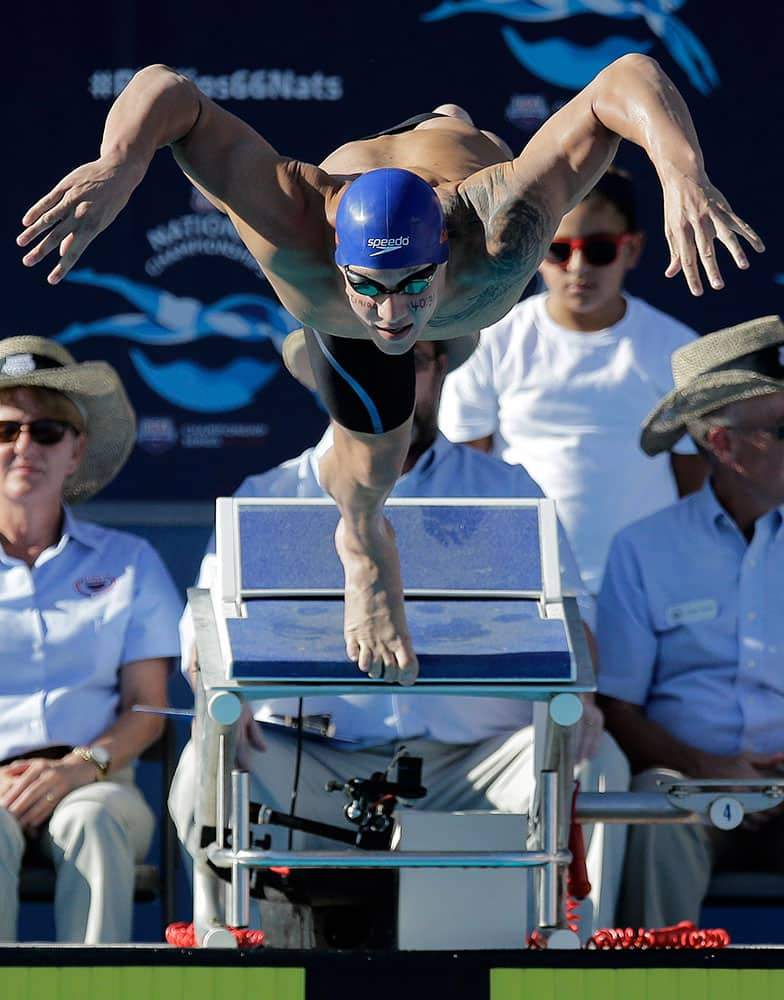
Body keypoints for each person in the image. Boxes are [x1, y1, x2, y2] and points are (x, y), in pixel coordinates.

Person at [17, 56, 763, 685]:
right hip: (360, 192)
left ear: (444, 248)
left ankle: (445, 120)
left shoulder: (498, 222)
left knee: (453, 139)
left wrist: (681, 173)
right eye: (367, 286)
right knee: (373, 452)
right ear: (338, 259)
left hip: (456, 158)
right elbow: (168, 91)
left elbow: (625, 76)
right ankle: (365, 537)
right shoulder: (295, 223)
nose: (391, 313)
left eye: (413, 284)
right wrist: (121, 162)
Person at [170, 337, 630, 940]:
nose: (387, 385)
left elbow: (573, 629)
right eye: (363, 366)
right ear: (329, 380)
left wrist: (584, 704)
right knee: (208, 751)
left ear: (440, 370)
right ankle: (226, 950)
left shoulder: (509, 489)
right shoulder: (268, 495)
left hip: (478, 766)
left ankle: (575, 952)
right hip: (319, 766)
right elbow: (203, 641)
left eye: (410, 360)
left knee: (595, 758)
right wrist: (220, 703)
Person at [595, 315, 784, 928]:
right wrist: (709, 769)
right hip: (692, 787)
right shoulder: (643, 549)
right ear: (722, 445)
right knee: (655, 805)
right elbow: (618, 709)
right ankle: (657, 983)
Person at [438, 167, 707, 593]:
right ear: (534, 252)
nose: (578, 267)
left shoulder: (677, 349)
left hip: (645, 587)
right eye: (558, 249)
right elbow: (469, 474)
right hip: (524, 581)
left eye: (600, 250)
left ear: (632, 249)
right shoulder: (490, 341)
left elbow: (694, 482)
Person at [0, 336, 182, 943]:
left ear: (76, 450)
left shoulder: (131, 562)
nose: (24, 446)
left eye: (46, 432)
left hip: (100, 778)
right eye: (5, 431)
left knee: (94, 820)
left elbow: (148, 708)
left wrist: (82, 766)